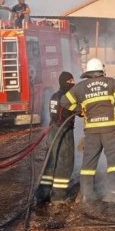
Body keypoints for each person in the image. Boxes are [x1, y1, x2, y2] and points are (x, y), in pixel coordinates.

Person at [60, 58, 115, 203]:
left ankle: (87, 194)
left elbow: (64, 101)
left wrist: (80, 110)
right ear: (101, 70)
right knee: (114, 161)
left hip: (91, 131)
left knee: (88, 164)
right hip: (111, 129)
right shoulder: (111, 82)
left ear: (88, 72)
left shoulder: (80, 87)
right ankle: (112, 193)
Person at [36, 72, 76, 204]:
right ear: (65, 82)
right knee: (64, 163)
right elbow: (76, 110)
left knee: (50, 162)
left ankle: (43, 193)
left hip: (53, 131)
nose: (73, 83)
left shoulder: (54, 95)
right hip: (63, 132)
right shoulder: (66, 97)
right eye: (71, 80)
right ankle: (58, 196)